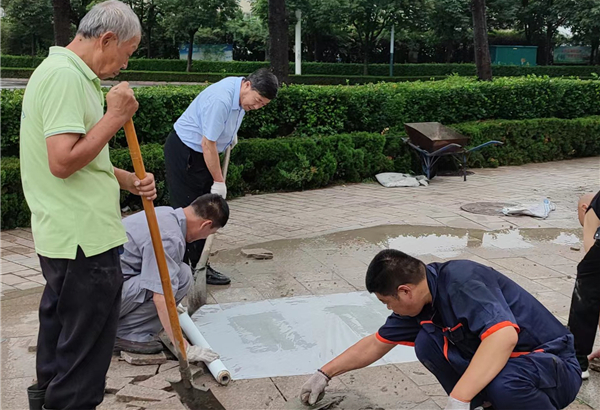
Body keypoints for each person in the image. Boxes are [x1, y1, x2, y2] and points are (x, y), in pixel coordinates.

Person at [20, 0, 156, 410]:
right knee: (88, 347)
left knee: (62, 327)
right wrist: (114, 117)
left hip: (67, 233)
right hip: (84, 239)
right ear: (107, 39)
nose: (126, 65)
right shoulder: (65, 78)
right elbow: (62, 162)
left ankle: (46, 397)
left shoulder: (63, 72)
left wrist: (126, 179)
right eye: (127, 53)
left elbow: (82, 154)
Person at [301, 250, 582, 410]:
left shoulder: (462, 281)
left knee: (503, 383)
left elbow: (503, 336)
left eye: (387, 303)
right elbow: (376, 344)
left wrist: (458, 399)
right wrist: (324, 373)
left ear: (404, 291)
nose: (389, 310)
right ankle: (484, 405)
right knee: (427, 343)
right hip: (516, 366)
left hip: (553, 367)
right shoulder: (419, 303)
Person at [164, 68, 279, 285]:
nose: (255, 107)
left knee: (204, 211)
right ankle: (182, 268)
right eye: (257, 101)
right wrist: (218, 180)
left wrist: (229, 133)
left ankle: (198, 264)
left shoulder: (239, 91)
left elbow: (217, 132)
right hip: (187, 153)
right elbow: (207, 144)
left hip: (202, 153)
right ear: (247, 85)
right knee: (190, 211)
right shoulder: (222, 99)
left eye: (262, 105)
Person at [114, 194, 229, 359]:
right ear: (206, 224)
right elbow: (161, 297)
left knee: (181, 273)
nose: (204, 238)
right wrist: (184, 347)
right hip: (97, 302)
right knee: (170, 283)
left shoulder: (166, 214)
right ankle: (127, 334)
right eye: (211, 233)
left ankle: (126, 327)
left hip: (102, 288)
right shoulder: (170, 238)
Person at [568, 191, 600, 379]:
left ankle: (576, 361)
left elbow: (594, 282)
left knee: (587, 283)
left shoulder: (593, 208)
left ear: (583, 209)